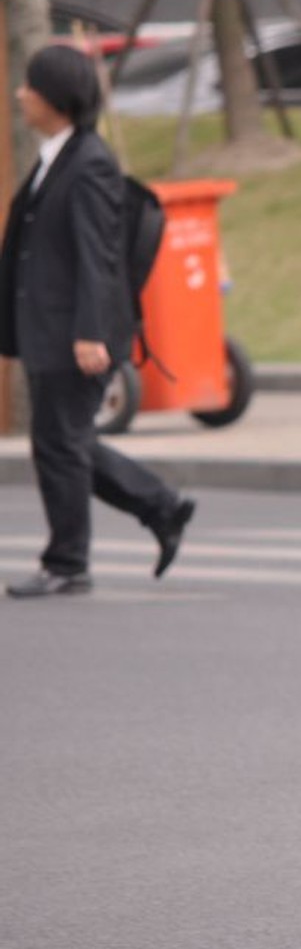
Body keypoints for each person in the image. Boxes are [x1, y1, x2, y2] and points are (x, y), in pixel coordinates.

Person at [0, 45, 193, 599]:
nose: (20, 94)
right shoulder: (57, 156)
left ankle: (68, 563)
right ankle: (162, 506)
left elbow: (98, 258)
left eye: (29, 86)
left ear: (55, 98)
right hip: (52, 326)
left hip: (75, 332)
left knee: (61, 443)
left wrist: (90, 331)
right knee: (63, 441)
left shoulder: (88, 164)